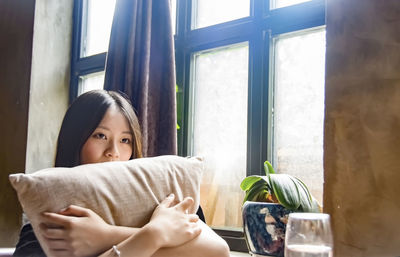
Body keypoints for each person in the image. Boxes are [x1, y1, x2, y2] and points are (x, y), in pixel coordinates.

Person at [14, 90, 229, 257]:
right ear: (74, 142)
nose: (113, 152)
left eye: (125, 140)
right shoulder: (49, 226)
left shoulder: (168, 200)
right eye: (100, 135)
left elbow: (218, 251)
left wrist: (105, 236)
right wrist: (154, 235)